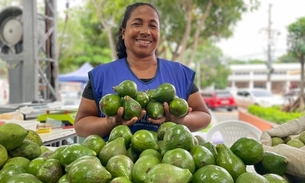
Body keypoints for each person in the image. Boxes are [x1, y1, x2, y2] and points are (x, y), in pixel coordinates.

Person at [74, 2, 211, 140]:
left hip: (170, 160)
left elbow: (204, 116)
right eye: (137, 24)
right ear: (123, 33)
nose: (145, 31)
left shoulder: (180, 74)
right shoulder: (101, 75)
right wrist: (110, 123)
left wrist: (180, 120)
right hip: (113, 160)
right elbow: (80, 125)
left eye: (153, 26)